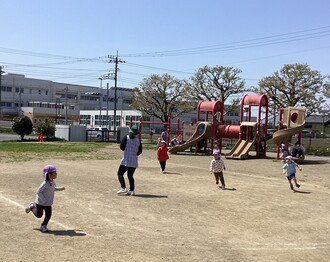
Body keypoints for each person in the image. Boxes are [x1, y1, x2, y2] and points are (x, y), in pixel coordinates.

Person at [25, 164, 65, 233]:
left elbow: (52, 189)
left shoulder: (52, 182)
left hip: (48, 203)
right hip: (40, 202)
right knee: (38, 215)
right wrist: (44, 200)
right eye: (54, 172)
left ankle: (43, 225)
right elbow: (38, 192)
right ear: (49, 174)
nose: (56, 174)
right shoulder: (45, 184)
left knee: (48, 215)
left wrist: (60, 189)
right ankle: (31, 207)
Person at [117, 125, 142, 196]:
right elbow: (140, 151)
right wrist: (134, 153)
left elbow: (122, 147)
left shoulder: (126, 138)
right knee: (130, 176)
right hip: (134, 161)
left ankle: (123, 187)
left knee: (120, 173)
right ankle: (132, 190)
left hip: (126, 160)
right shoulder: (138, 140)